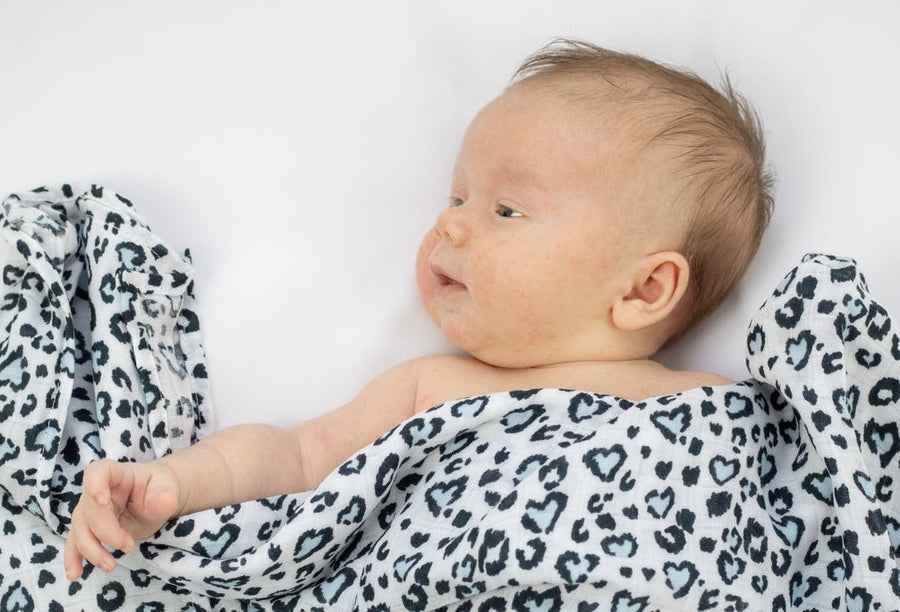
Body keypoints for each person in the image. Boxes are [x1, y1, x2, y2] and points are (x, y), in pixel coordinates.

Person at [63, 38, 773, 581]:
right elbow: (296, 457)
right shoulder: (430, 388)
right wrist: (175, 481)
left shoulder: (721, 410)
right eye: (456, 197)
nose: (450, 224)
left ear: (643, 290)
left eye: (506, 209)